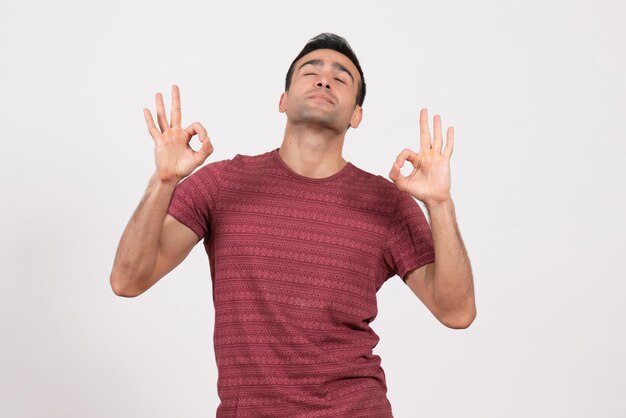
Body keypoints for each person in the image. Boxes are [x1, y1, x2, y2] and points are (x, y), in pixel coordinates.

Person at [110, 33, 475, 417]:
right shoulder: (222, 185)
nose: (323, 80)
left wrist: (440, 204)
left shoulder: (387, 203)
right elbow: (127, 280)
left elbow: (456, 312)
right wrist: (164, 181)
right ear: (282, 100)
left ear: (357, 115)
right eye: (310, 71)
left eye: (341, 77)